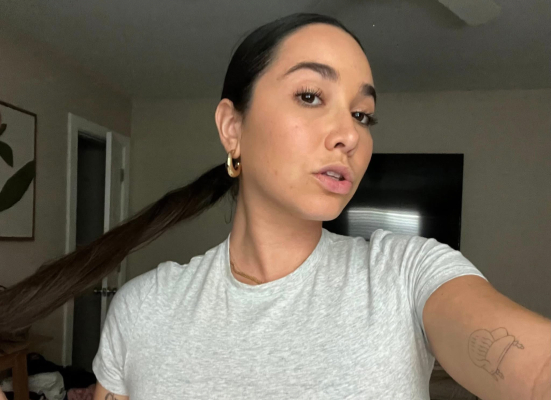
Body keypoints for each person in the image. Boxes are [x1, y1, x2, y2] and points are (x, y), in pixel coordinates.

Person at [0, 13, 548, 400]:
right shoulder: (144, 309)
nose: (350, 135)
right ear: (232, 128)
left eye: (362, 115)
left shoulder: (407, 275)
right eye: (310, 96)